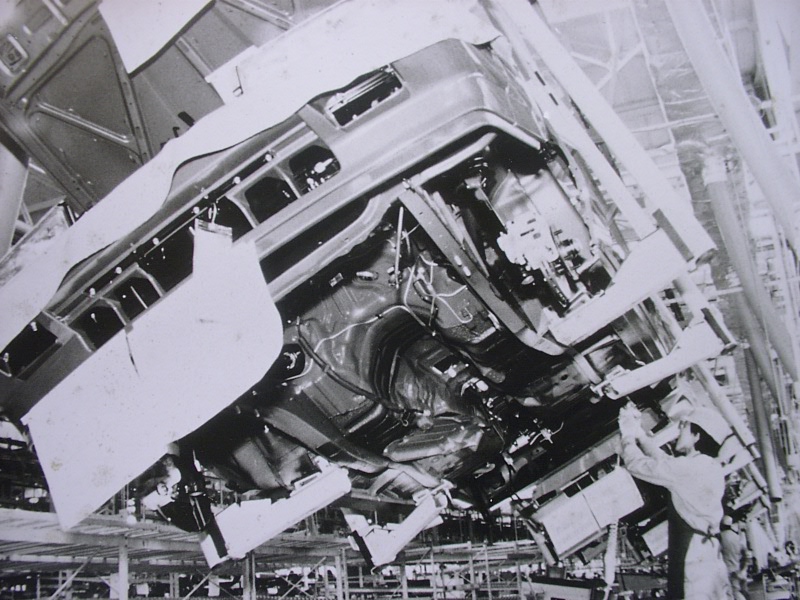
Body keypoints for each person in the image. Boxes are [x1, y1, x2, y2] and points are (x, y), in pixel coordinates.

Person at [618, 402, 733, 599]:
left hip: (693, 556)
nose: (679, 430)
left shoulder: (689, 469)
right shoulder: (706, 466)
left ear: (697, 436)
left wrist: (627, 436)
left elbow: (637, 465)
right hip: (707, 554)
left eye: (684, 425)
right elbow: (666, 463)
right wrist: (640, 434)